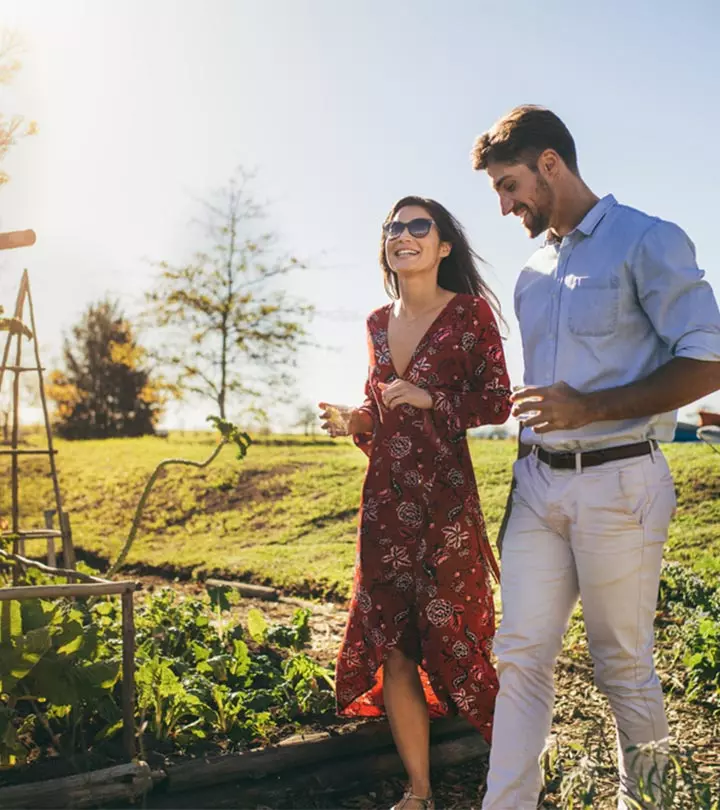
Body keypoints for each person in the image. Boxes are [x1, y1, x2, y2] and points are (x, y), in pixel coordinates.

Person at [470, 105, 720, 810]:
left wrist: (592, 407)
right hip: (537, 490)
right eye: (496, 189)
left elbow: (708, 361)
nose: (504, 204)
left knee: (621, 665)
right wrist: (522, 486)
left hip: (621, 483)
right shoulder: (531, 272)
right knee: (519, 656)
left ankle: (647, 804)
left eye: (510, 184)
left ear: (551, 163)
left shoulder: (648, 239)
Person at [319, 196, 512, 810]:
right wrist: (356, 419)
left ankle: (518, 771)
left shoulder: (470, 313)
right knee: (395, 645)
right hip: (383, 509)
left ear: (443, 245)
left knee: (457, 638)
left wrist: (434, 401)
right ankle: (420, 791)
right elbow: (378, 411)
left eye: (418, 226)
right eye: (393, 228)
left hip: (446, 508)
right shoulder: (377, 322)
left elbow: (498, 400)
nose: (403, 235)